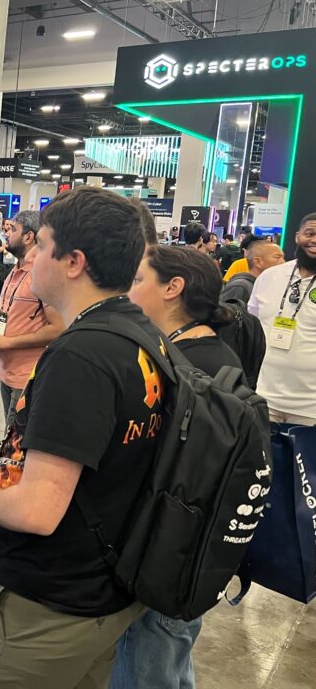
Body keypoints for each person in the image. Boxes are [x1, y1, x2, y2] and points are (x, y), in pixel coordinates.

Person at [0, 186, 157, 688]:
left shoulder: (79, 356)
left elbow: (39, 512)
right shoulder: (140, 335)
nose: (30, 255)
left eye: (40, 243)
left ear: (74, 261)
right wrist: (4, 477)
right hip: (105, 589)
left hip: (46, 606)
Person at [115, 244, 243, 689]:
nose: (128, 290)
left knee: (146, 669)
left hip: (168, 556)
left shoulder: (193, 368)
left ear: (173, 288)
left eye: (137, 281)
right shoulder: (206, 352)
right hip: (181, 555)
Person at [0, 210, 65, 427]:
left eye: (12, 230)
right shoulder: (13, 272)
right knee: (10, 437)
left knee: (15, 445)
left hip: (27, 377)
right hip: (7, 372)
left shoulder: (41, 275)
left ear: (29, 237)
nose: (7, 234)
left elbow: (58, 328)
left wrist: (8, 342)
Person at [249, 213, 316, 426]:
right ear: (297, 237)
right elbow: (253, 328)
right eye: (310, 233)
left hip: (310, 408)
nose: (314, 240)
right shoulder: (270, 277)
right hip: (264, 399)